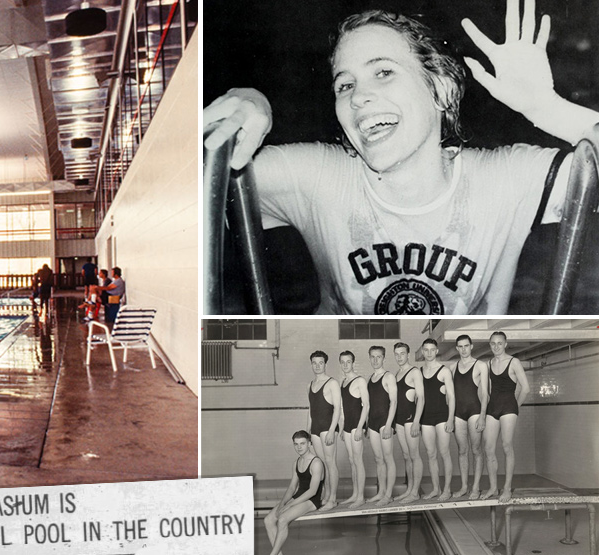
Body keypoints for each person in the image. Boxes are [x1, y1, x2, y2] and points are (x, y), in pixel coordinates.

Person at [203, 3, 599, 315]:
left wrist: (548, 109)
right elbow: (173, 200)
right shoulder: (315, 177)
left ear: (441, 90)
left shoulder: (506, 180)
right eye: (345, 84)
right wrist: (248, 105)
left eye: (384, 72)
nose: (358, 96)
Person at [484, 331, 528, 502]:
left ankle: (507, 488)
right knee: (488, 448)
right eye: (493, 343)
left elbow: (525, 388)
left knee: (506, 445)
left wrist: (515, 407)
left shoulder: (513, 362)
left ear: (505, 344)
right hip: (492, 407)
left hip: (509, 407)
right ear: (490, 345)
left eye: (499, 343)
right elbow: (486, 389)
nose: (496, 347)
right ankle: (494, 488)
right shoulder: (489, 363)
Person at [264, 430, 325, 555]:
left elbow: (312, 491)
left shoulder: (316, 463)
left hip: (311, 500)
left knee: (282, 519)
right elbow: (292, 488)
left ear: (309, 444)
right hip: (299, 496)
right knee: (268, 520)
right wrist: (282, 504)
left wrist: (290, 505)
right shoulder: (296, 462)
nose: (299, 447)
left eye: (302, 444)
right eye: (296, 444)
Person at [453, 334, 490, 499]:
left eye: (466, 346)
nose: (463, 349)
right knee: (462, 450)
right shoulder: (452, 368)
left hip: (475, 411)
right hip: (458, 413)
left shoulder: (480, 365)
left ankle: (475, 488)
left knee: (476, 449)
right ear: (456, 348)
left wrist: (483, 416)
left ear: (471, 346)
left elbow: (485, 393)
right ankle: (463, 486)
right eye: (460, 346)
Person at [419, 338, 456, 500]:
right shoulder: (419, 371)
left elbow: (452, 397)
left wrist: (450, 419)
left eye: (431, 350)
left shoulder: (444, 371)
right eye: (425, 350)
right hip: (425, 417)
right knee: (430, 454)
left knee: (444, 452)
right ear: (422, 351)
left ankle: (446, 489)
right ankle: (436, 489)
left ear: (436, 351)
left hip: (442, 416)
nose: (428, 353)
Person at [306, 350, 341, 510]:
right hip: (315, 428)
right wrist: (308, 431)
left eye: (321, 363)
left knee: (330, 462)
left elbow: (338, 409)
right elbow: (310, 410)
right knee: (322, 464)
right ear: (311, 364)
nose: (318, 366)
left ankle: (333, 499)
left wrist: (333, 429)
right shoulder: (310, 385)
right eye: (315, 363)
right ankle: (326, 496)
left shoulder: (332, 383)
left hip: (328, 427)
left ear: (325, 364)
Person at [366, 345, 398, 506]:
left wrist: (388, 425)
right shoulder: (370, 379)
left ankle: (389, 494)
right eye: (372, 356)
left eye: (378, 357)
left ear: (384, 358)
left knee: (388, 457)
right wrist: (366, 425)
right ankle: (381, 492)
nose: (375, 360)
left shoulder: (389, 377)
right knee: (378, 459)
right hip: (372, 422)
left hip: (385, 422)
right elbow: (369, 405)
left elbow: (393, 402)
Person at [393, 342, 425, 503]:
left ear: (408, 354)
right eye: (396, 354)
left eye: (402, 354)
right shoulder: (397, 373)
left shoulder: (414, 372)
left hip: (410, 418)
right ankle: (410, 489)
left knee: (414, 455)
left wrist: (417, 421)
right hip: (399, 419)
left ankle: (415, 492)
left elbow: (421, 397)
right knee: (406, 456)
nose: (399, 357)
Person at [338, 350, 369, 508]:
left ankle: (361, 497)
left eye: (348, 361)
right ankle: (355, 494)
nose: (345, 365)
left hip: (357, 425)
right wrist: (342, 426)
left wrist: (360, 428)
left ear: (353, 362)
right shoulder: (342, 382)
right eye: (342, 362)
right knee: (351, 461)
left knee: (358, 460)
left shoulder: (360, 381)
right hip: (347, 426)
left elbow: (366, 406)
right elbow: (343, 408)